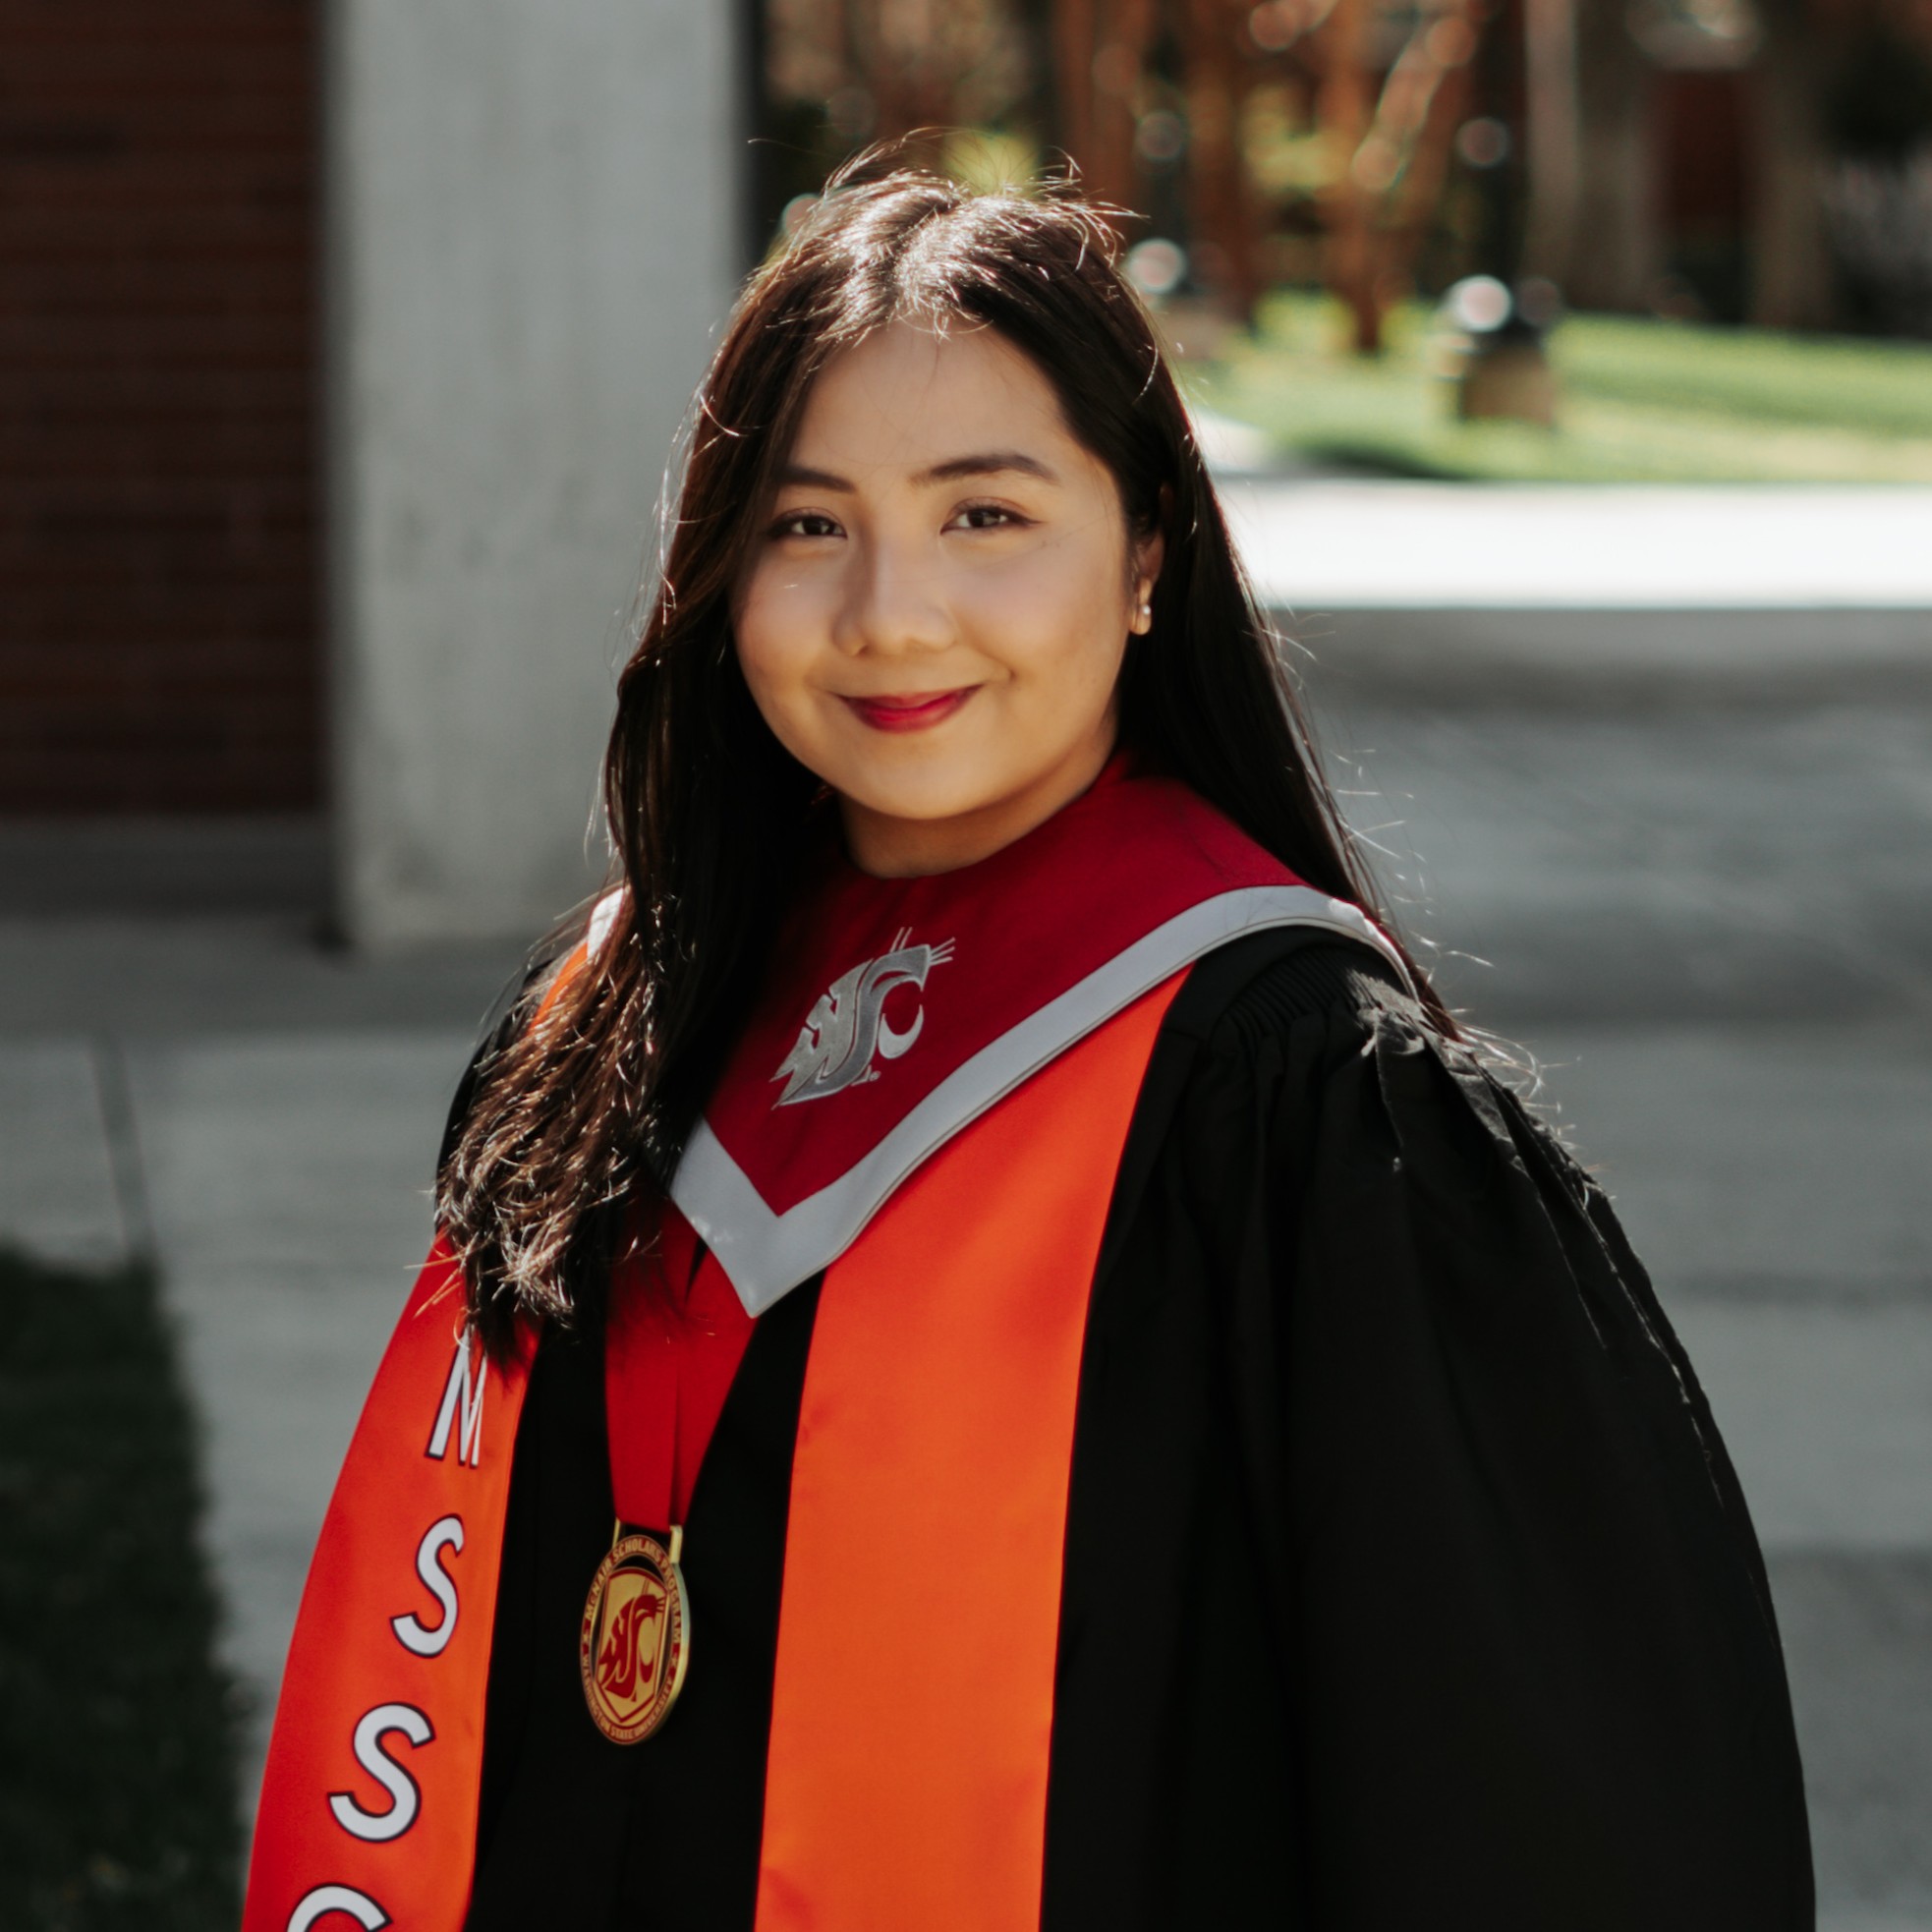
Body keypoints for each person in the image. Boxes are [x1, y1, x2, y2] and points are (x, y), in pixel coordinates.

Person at [242, 165, 1813, 1932]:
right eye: (804, 523)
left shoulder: (1299, 1105)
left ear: (1147, 554)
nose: (889, 616)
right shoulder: (612, 1028)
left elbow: (1534, 1823)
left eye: (984, 516)